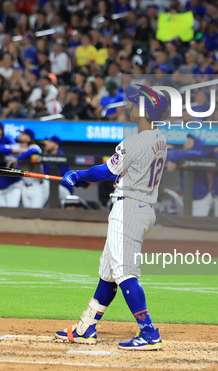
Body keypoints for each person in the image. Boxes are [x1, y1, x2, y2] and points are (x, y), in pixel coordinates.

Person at [54, 85, 168, 350]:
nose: (129, 107)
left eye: (134, 104)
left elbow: (107, 169)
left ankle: (149, 331)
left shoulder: (135, 141)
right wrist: (88, 179)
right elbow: (121, 171)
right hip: (141, 207)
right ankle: (87, 326)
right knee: (108, 272)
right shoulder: (160, 138)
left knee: (125, 272)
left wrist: (79, 176)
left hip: (128, 209)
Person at [167, 134, 212, 217]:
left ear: (195, 145)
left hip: (201, 200)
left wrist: (173, 159)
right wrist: (171, 160)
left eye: (189, 143)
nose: (185, 144)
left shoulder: (199, 154)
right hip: (187, 199)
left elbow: (197, 153)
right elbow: (169, 153)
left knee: (196, 226)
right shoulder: (181, 154)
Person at [6, 128, 49, 209]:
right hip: (25, 187)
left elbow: (33, 151)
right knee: (27, 215)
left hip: (38, 187)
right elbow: (0, 148)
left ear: (29, 138)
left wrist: (18, 158)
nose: (20, 135)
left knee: (35, 215)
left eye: (23, 134)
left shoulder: (34, 147)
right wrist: (15, 150)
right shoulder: (17, 147)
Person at [42, 135, 73, 202]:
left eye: (50, 142)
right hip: (49, 187)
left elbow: (59, 178)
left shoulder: (63, 157)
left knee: (45, 183)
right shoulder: (45, 156)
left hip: (64, 189)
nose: (46, 143)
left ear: (56, 146)